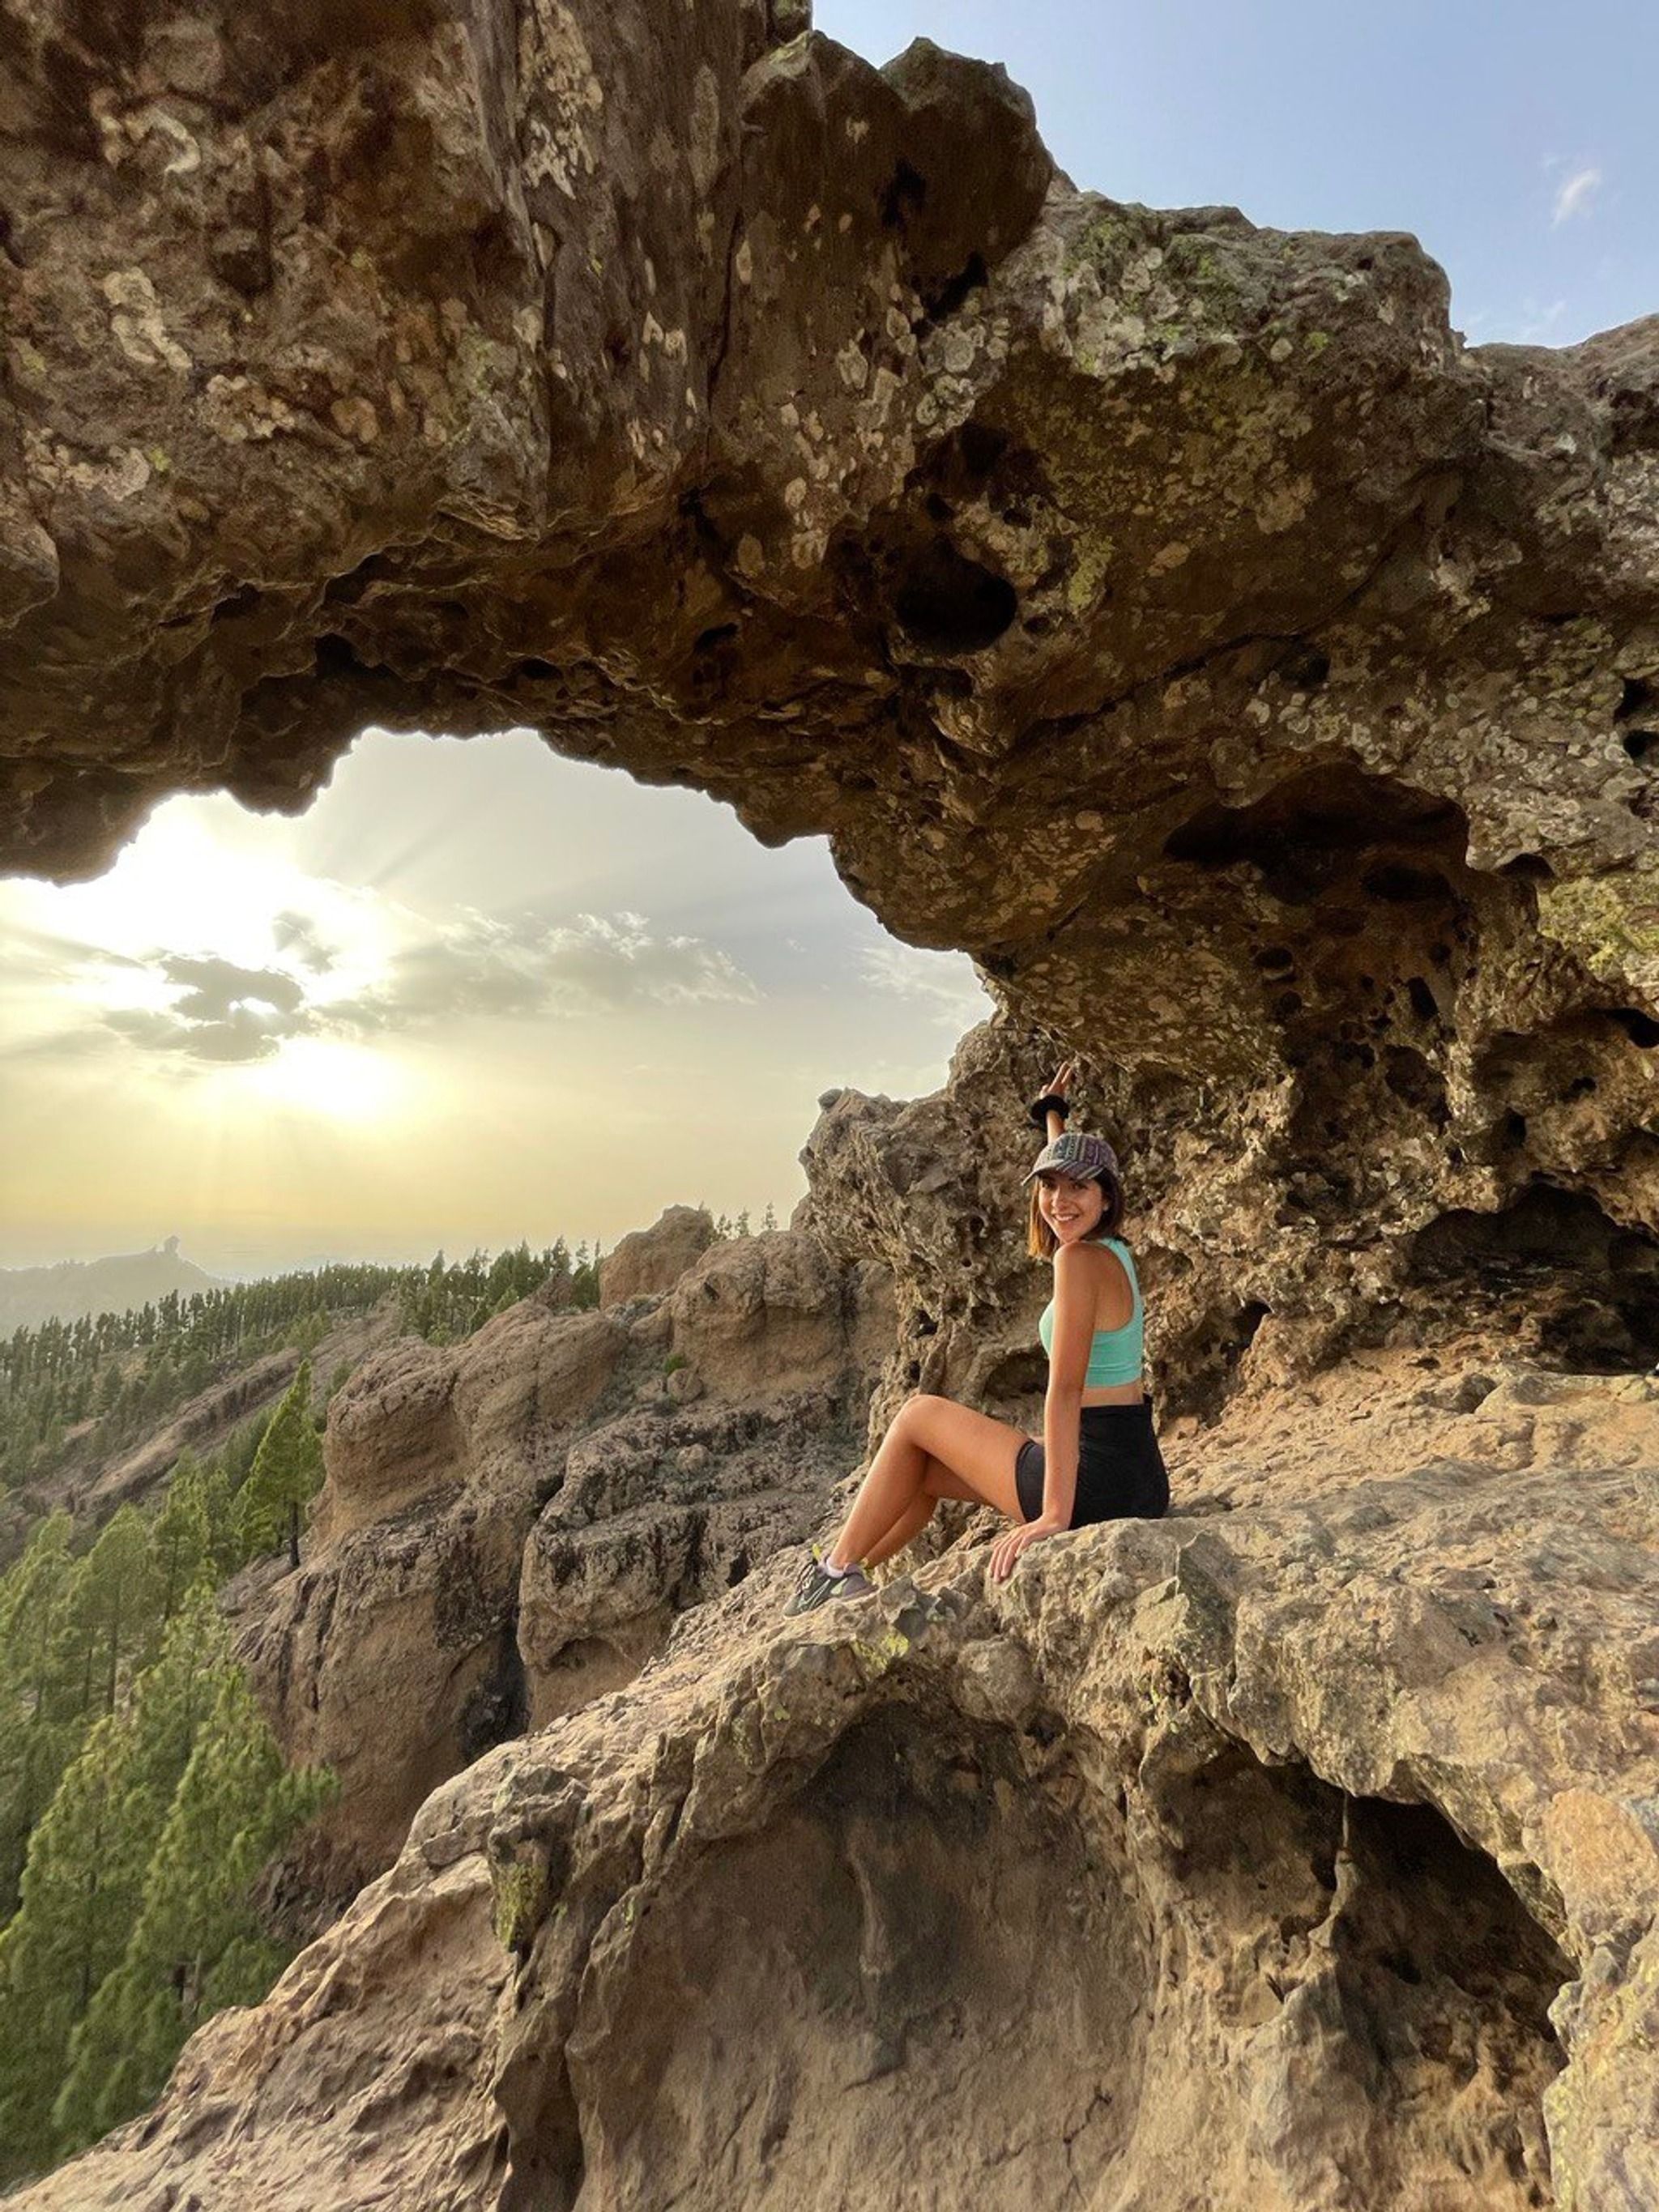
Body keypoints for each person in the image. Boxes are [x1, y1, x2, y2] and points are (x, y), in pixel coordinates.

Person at [784, 1060, 1169, 1614]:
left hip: (1095, 1485)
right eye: (1049, 1187)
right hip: (1141, 1477)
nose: (1059, 1201)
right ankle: (845, 1577)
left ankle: (830, 1570)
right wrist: (1052, 1115)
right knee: (922, 1469)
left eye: (1077, 1188)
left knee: (917, 1414)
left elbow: (1063, 1392)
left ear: (1106, 1197)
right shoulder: (1113, 1252)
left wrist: (1054, 1516)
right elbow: (1068, 1182)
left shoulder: (1078, 1261)